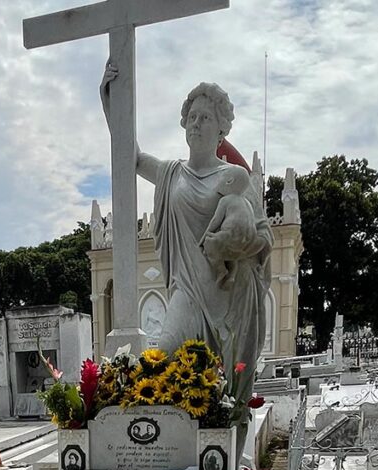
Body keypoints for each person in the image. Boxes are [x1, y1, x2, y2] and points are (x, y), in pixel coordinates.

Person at [99, 65, 272, 403]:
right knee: (161, 360)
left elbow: (263, 237)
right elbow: (129, 157)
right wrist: (110, 102)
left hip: (229, 295)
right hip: (188, 290)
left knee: (229, 391)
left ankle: (226, 453)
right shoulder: (171, 173)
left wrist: (229, 243)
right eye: (192, 116)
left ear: (221, 128)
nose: (196, 123)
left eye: (205, 118)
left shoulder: (235, 177)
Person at [199, 165, 258, 287]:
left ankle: (221, 270)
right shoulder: (247, 202)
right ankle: (232, 275)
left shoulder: (226, 199)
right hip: (249, 241)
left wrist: (203, 238)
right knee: (232, 253)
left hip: (231, 235)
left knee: (210, 244)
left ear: (229, 181)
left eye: (220, 177)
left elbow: (216, 220)